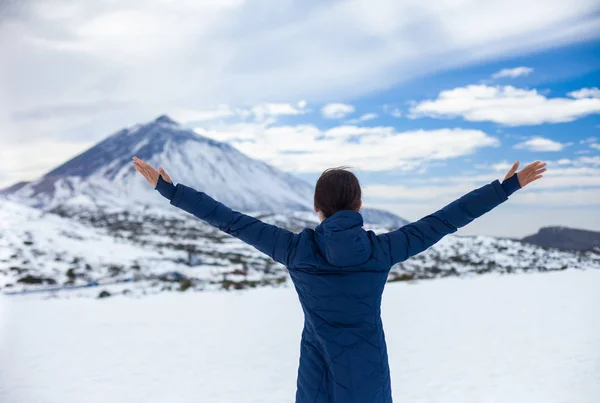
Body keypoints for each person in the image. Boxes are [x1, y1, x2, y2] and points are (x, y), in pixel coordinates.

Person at [132, 156, 546, 403]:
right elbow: (445, 221)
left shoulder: (294, 250)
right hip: (367, 373)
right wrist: (503, 188)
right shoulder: (383, 250)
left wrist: (172, 192)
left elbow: (230, 221)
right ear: (359, 204)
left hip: (316, 375)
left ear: (317, 207)